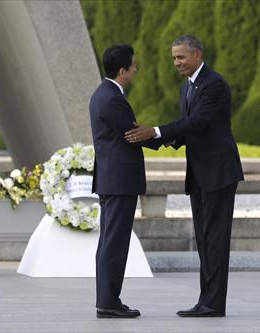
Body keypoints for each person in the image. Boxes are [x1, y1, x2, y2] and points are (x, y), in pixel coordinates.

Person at [125, 35, 244, 317]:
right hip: (201, 174)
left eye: (181, 57)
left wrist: (155, 131)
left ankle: (213, 304)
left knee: (214, 238)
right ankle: (206, 301)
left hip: (218, 172)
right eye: (174, 58)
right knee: (205, 238)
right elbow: (188, 131)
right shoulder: (187, 87)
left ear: (198, 55)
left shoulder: (214, 84)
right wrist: (148, 139)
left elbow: (198, 121)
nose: (176, 62)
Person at [89, 44, 160, 319]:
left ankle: (107, 300)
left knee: (110, 241)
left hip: (111, 180)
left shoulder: (103, 93)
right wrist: (167, 136)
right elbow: (132, 134)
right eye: (133, 66)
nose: (135, 69)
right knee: (114, 243)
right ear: (123, 70)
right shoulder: (112, 98)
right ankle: (108, 302)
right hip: (119, 181)